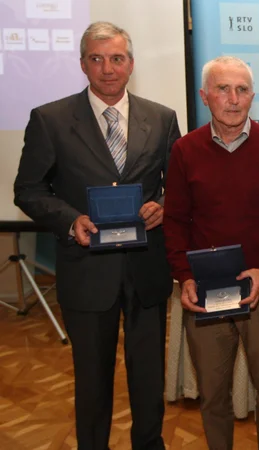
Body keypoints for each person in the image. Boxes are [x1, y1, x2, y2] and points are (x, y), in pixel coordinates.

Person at [13, 21, 180, 450]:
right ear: (83, 64)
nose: (108, 68)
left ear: (131, 64)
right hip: (86, 269)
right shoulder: (49, 119)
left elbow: (176, 185)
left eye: (117, 58)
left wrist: (164, 204)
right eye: (97, 59)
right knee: (91, 377)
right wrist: (70, 220)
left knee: (148, 374)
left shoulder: (161, 118)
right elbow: (28, 190)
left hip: (146, 266)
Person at [162, 56, 259, 450]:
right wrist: (184, 276)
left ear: (253, 95)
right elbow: (175, 222)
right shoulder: (185, 151)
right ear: (205, 97)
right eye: (223, 89)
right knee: (212, 393)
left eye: (242, 90)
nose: (233, 99)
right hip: (206, 292)